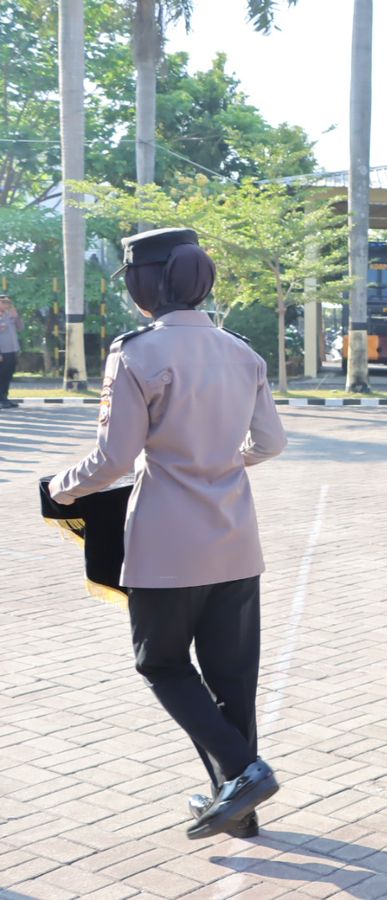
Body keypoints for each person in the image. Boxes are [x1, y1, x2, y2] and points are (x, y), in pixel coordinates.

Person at [46, 227, 286, 839]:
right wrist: (222, 462)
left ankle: (241, 771)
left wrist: (61, 490)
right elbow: (271, 443)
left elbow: (114, 460)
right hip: (236, 538)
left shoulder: (135, 354)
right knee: (233, 681)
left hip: (166, 545)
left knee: (162, 664)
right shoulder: (241, 351)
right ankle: (240, 809)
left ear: (145, 284)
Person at [0, 293, 19, 408]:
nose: (7, 305)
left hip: (12, 350)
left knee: (7, 376)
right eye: (4, 302)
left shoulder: (9, 315)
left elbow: (21, 328)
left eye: (8, 302)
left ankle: (5, 398)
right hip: (2, 352)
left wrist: (16, 317)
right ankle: (1, 400)